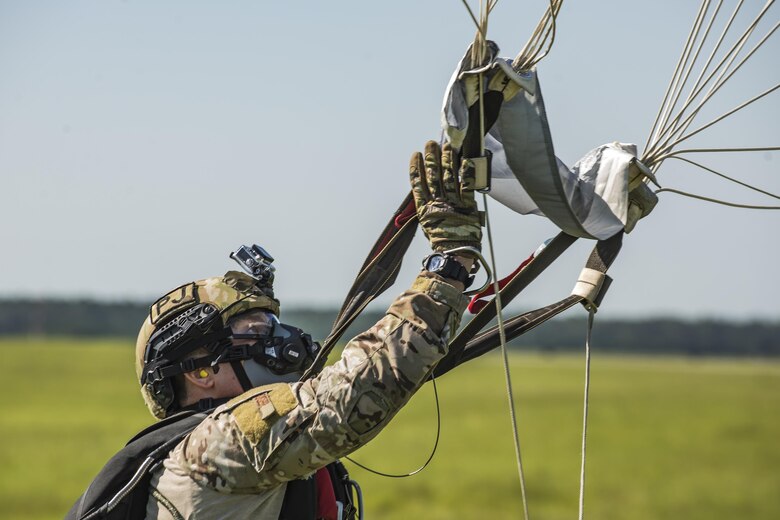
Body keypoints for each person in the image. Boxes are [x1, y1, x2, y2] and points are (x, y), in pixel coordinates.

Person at [70, 140, 483, 520]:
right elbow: (347, 397)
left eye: (273, 324)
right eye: (254, 330)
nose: (281, 339)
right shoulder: (216, 445)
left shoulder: (250, 453)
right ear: (201, 371)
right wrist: (448, 264)